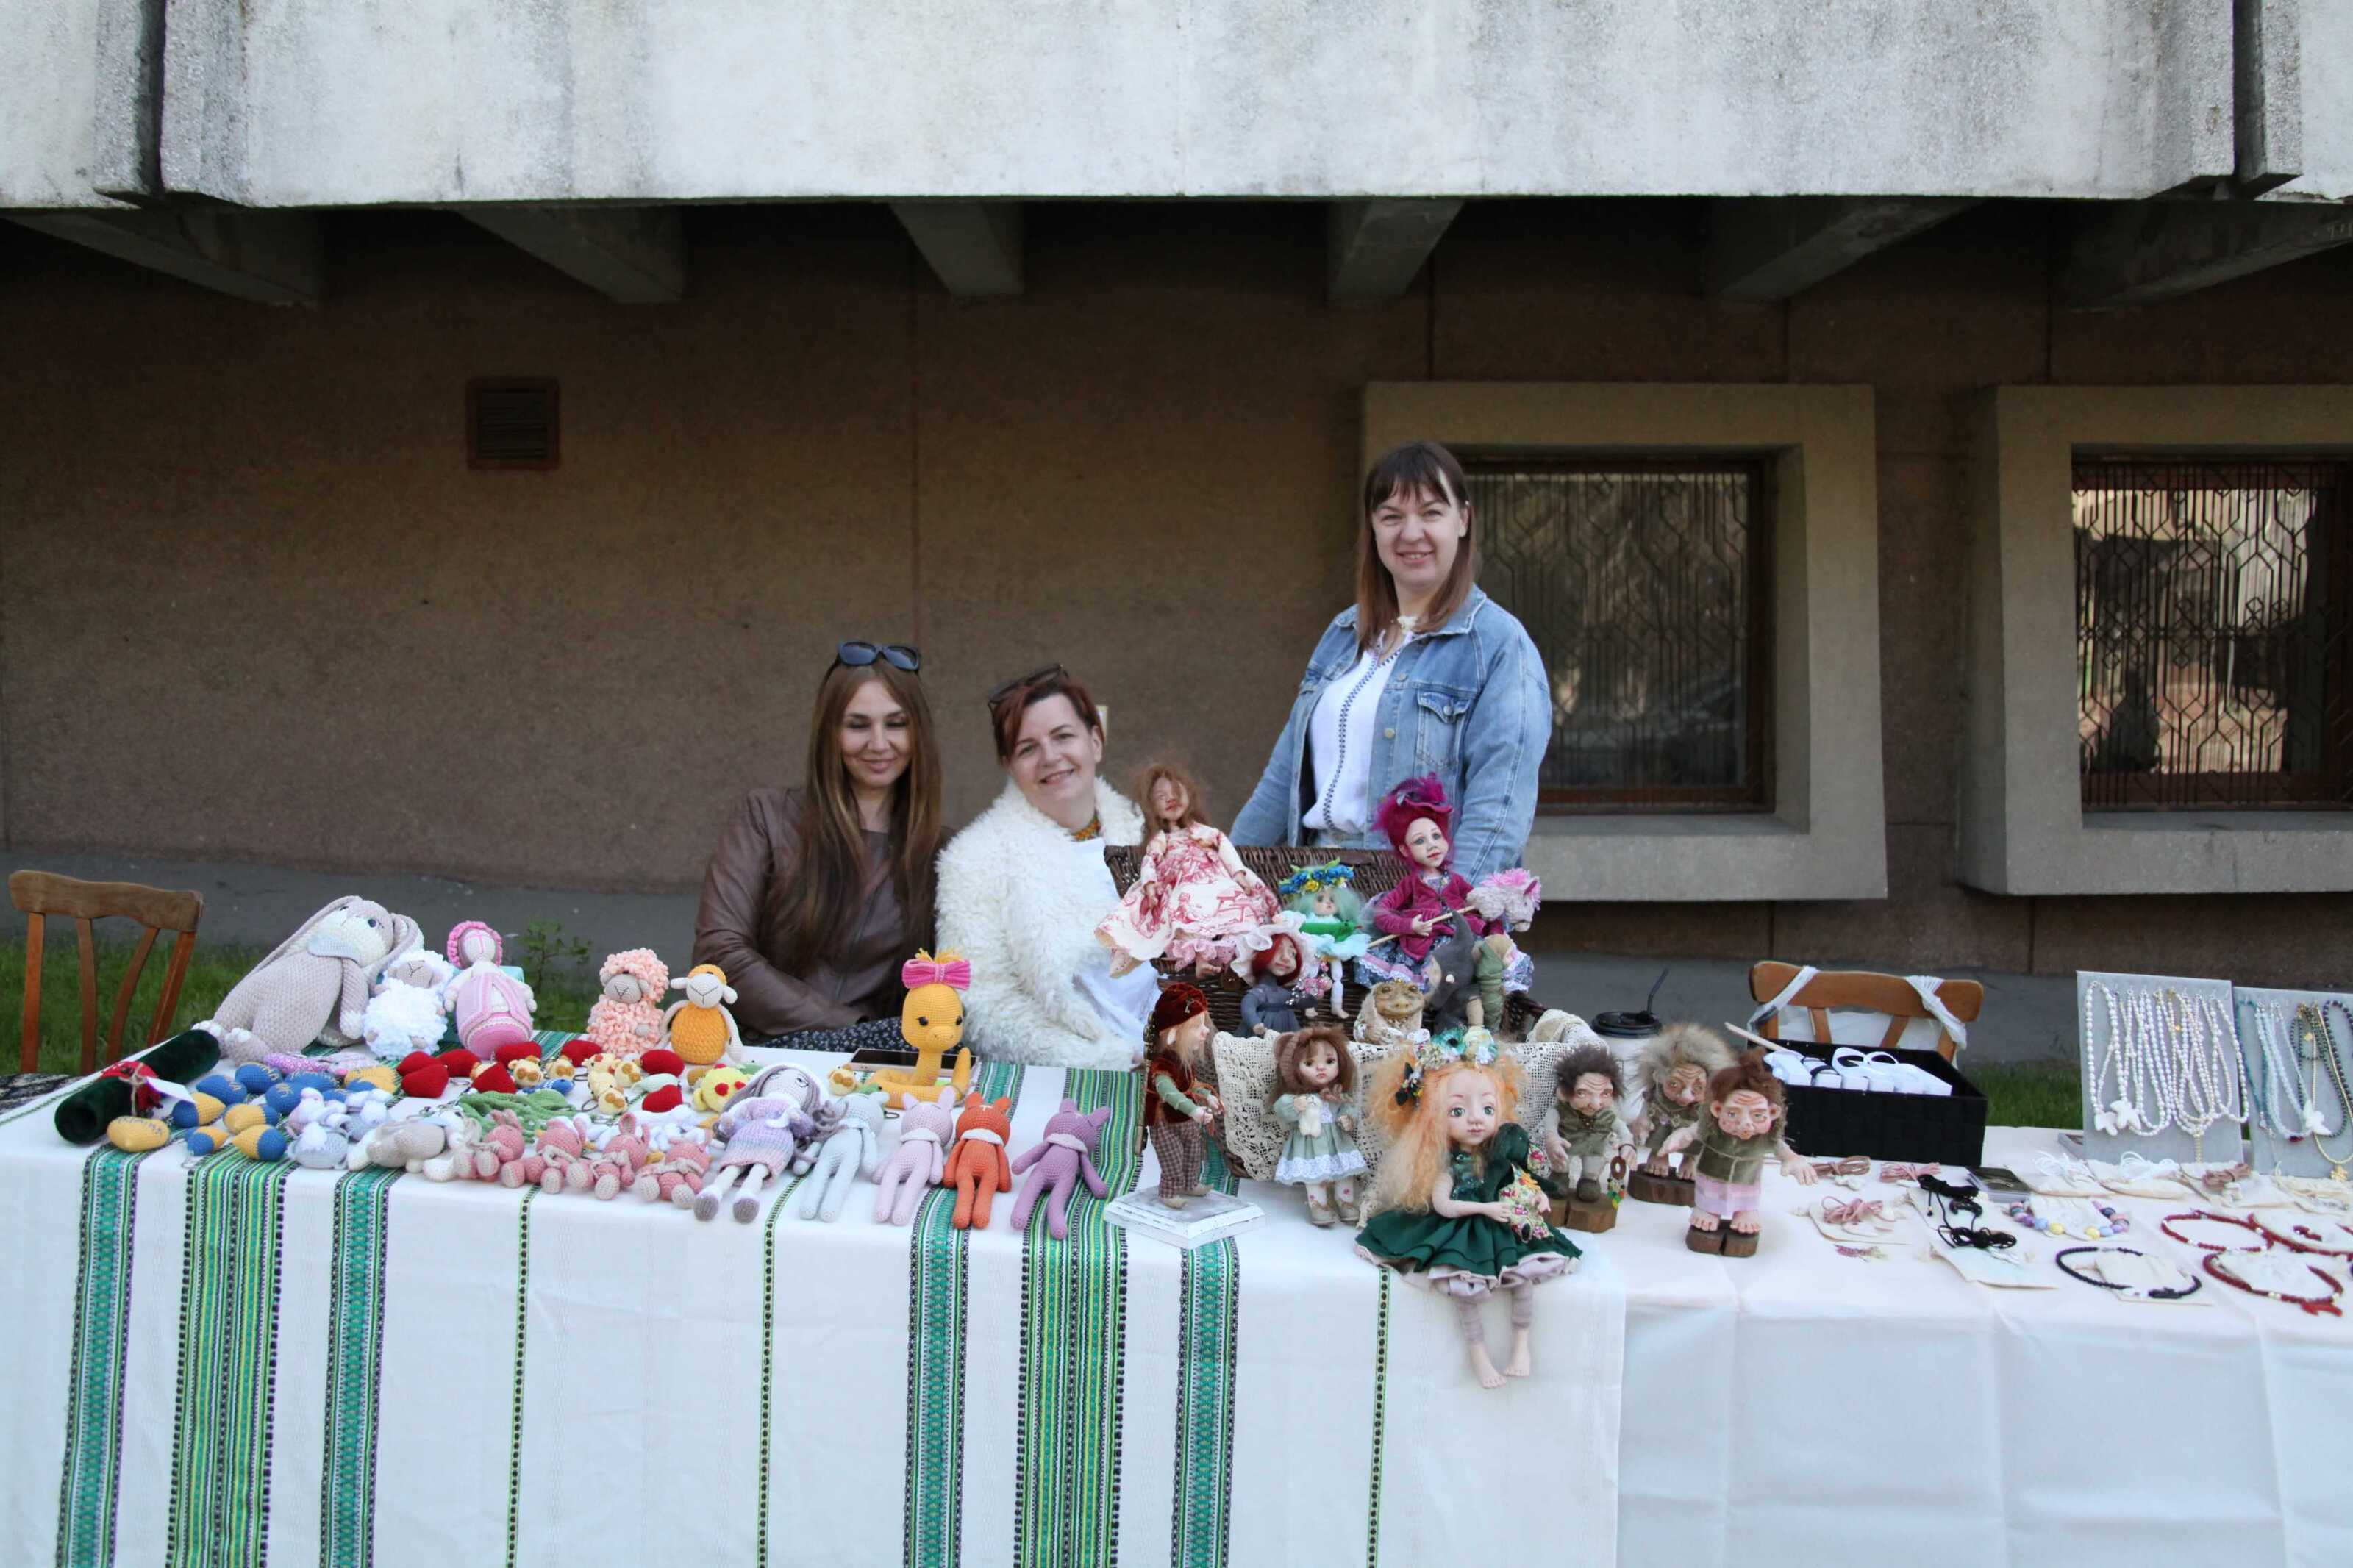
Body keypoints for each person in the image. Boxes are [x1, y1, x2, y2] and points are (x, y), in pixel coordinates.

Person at [1232, 439, 1550, 881]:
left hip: (1412, 897)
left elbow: (1498, 812)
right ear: (1374, 528)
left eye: (1431, 513)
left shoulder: (1498, 644)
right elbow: (1281, 782)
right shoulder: (1343, 634)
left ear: (1463, 519)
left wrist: (1442, 909)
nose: (1411, 533)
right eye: (1392, 517)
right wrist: (1220, 878)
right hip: (1316, 892)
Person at [693, 641, 942, 1045]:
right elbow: (720, 955)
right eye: (858, 725)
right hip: (755, 1055)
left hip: (877, 1068)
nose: (879, 743)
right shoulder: (767, 816)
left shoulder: (943, 852)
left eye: (897, 724)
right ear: (830, 733)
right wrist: (854, 1030)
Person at [936, 666, 1156, 1070]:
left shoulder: (1151, 832)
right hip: (1074, 1079)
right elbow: (982, 1005)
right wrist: (1104, 1061)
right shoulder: (975, 859)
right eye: (1028, 749)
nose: (1050, 757)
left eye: (1063, 736)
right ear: (1009, 766)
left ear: (1095, 741)